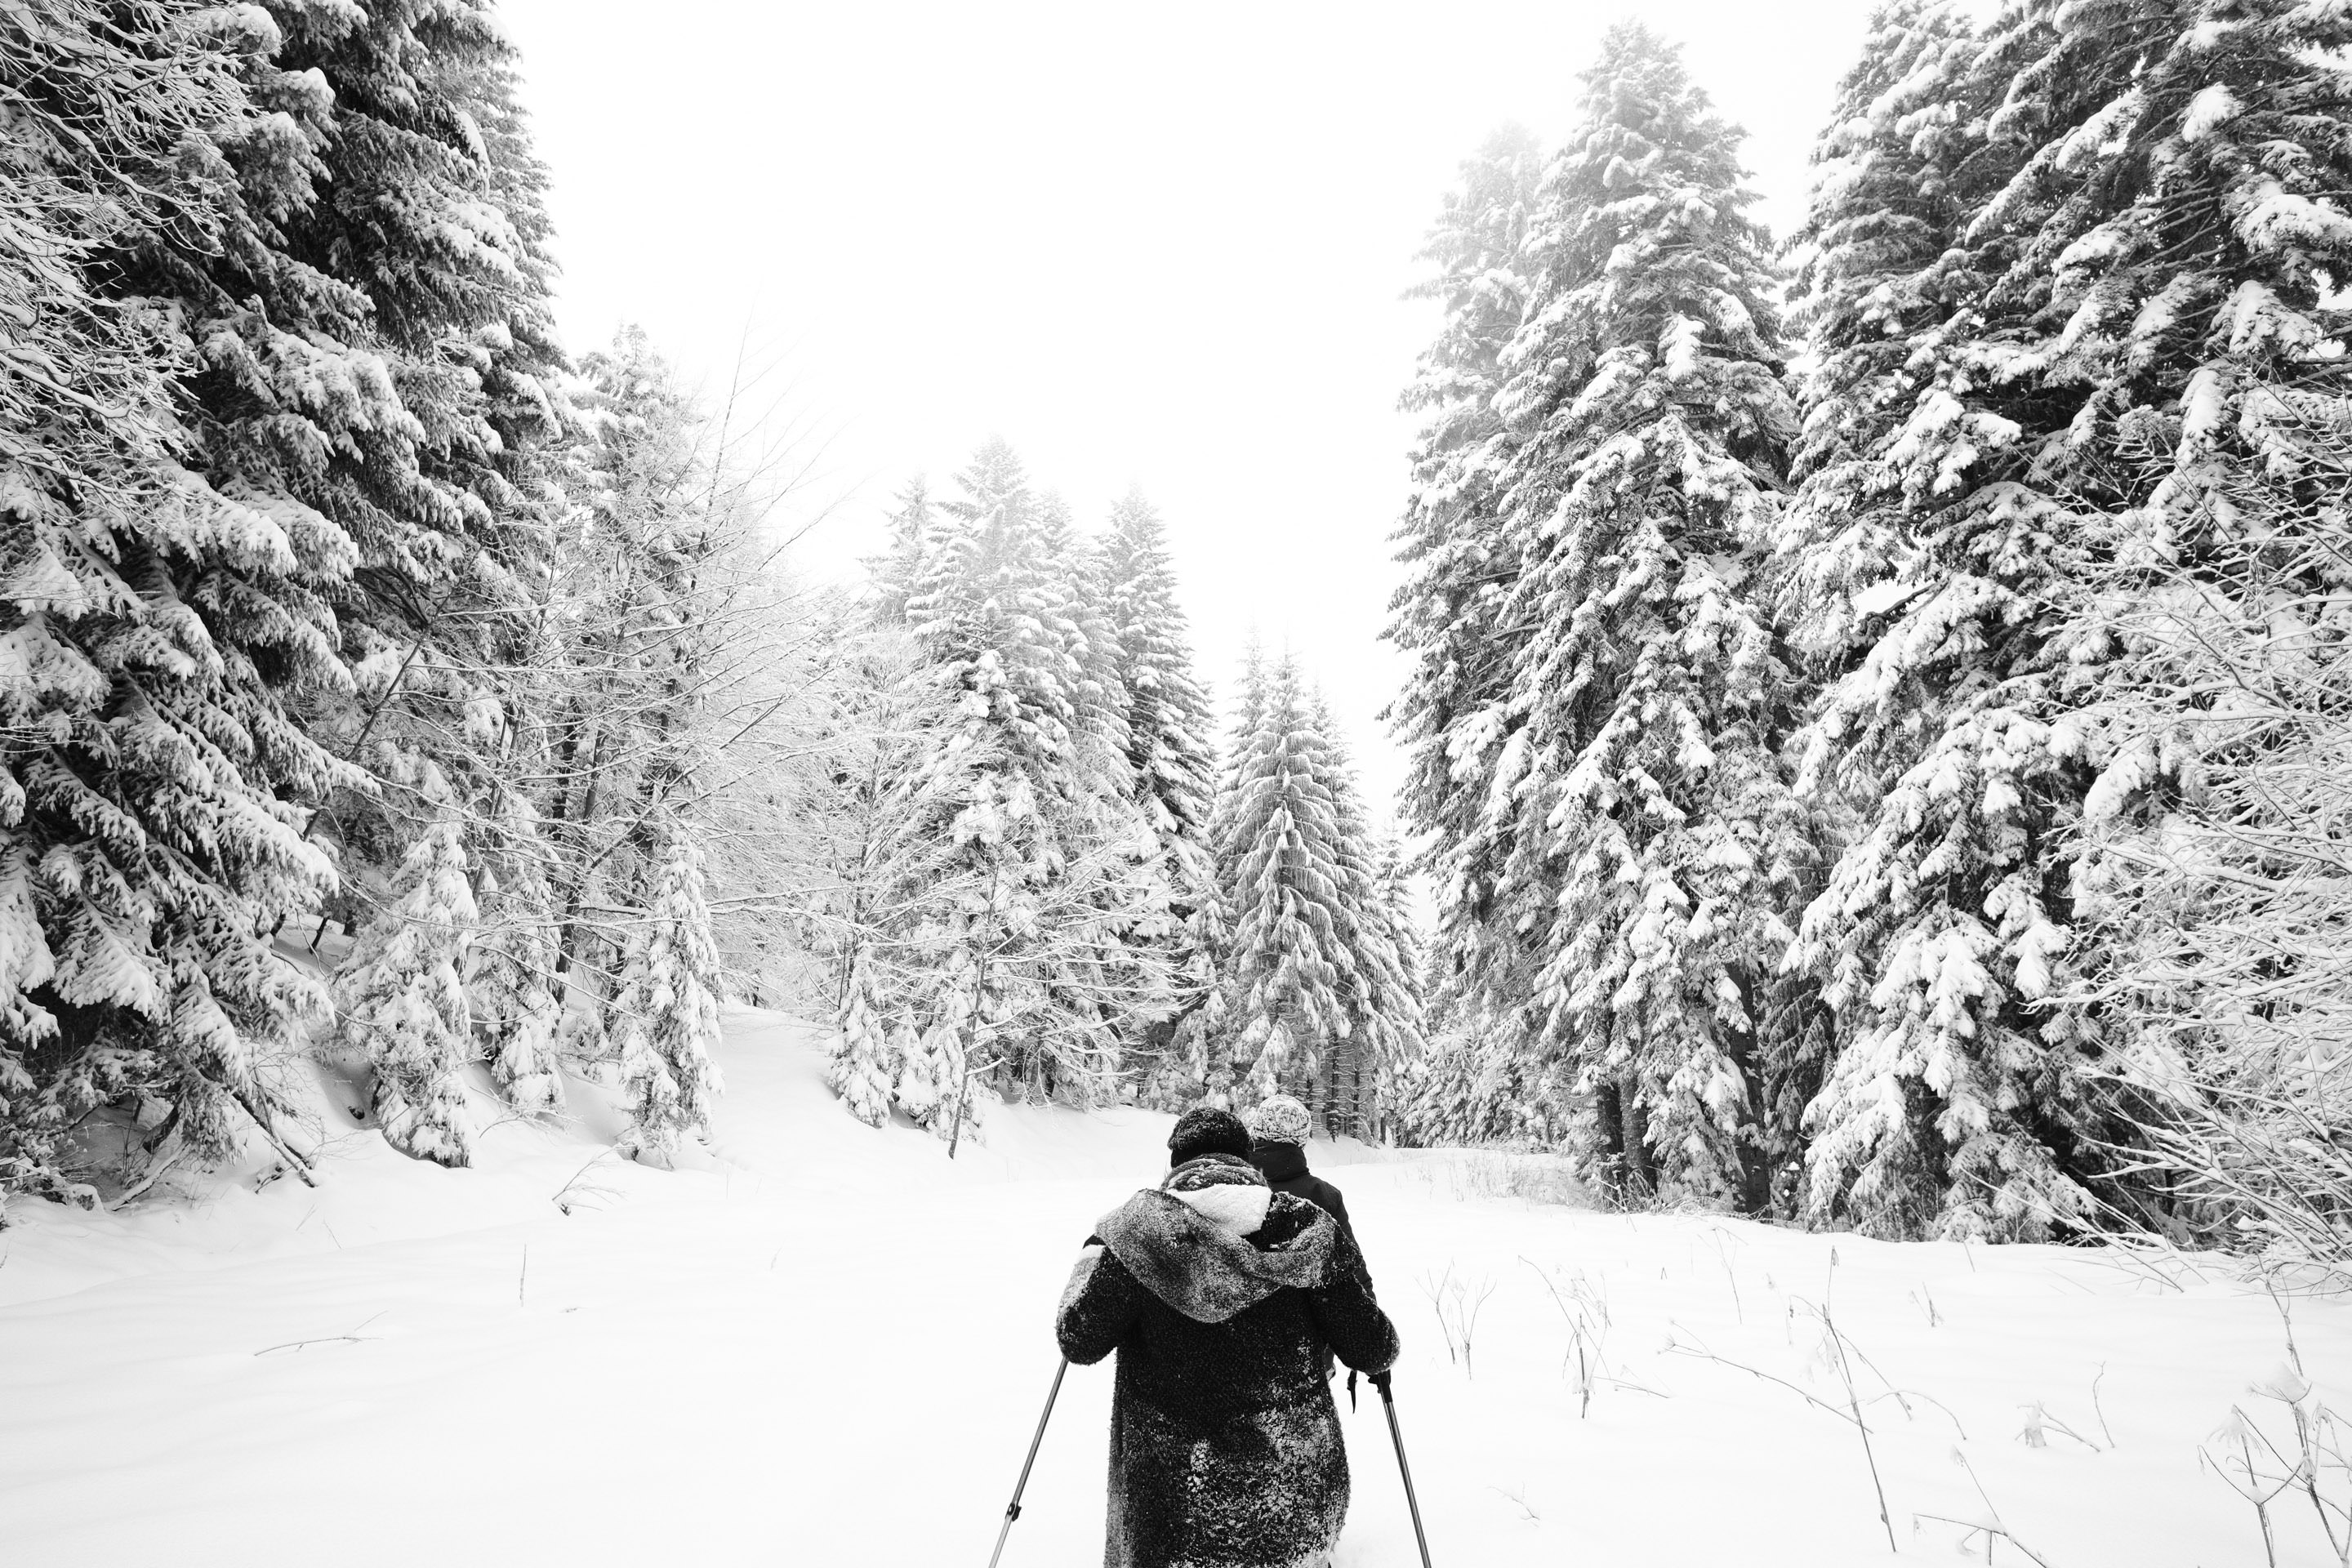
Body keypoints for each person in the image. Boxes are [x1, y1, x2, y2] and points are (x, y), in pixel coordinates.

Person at [1056, 1107, 1400, 1568]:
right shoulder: (1306, 1230)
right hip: (1292, 1505)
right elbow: (1375, 1348)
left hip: (1167, 1520)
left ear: (1174, 1164)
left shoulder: (1135, 1238)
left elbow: (1077, 1335)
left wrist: (1096, 1253)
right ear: (1248, 1162)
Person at [1244, 1095, 1356, 1260]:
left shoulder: (1232, 1186)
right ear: (1302, 1139)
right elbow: (1352, 1267)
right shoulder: (1325, 1195)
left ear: (1256, 1132)